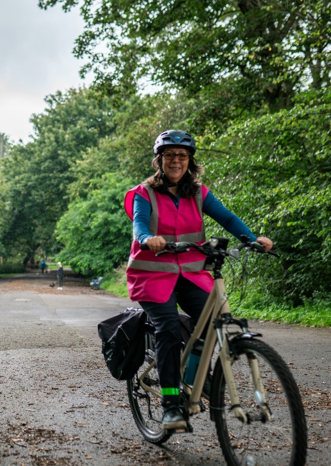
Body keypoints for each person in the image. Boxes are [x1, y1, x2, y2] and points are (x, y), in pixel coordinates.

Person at [124, 130, 272, 430]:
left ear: (189, 160)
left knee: (210, 319)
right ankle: (170, 404)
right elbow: (139, 223)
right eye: (169, 156)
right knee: (168, 329)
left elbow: (227, 218)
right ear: (160, 160)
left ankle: (194, 379)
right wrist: (147, 238)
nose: (175, 161)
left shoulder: (198, 193)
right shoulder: (144, 192)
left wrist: (251, 238)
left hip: (190, 273)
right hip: (153, 275)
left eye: (181, 156)